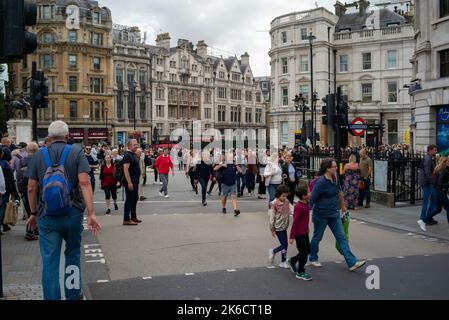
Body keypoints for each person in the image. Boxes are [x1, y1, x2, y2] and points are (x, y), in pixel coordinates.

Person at [25, 121, 101, 300]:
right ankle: (73, 295)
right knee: (73, 254)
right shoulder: (76, 152)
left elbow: (30, 187)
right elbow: (84, 182)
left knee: (50, 261)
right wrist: (91, 213)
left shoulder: (38, 155)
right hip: (73, 213)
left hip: (46, 215)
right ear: (68, 136)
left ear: (49, 137)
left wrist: (33, 213)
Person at [308, 158, 366, 272]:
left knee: (341, 238)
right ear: (327, 168)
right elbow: (312, 198)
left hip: (334, 213)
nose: (336, 168)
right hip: (321, 214)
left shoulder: (335, 178)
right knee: (317, 237)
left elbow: (339, 192)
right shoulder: (320, 182)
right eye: (334, 166)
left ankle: (352, 262)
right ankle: (313, 258)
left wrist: (343, 206)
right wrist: (305, 213)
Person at [287, 187, 312, 281]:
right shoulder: (299, 207)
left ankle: (292, 261)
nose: (310, 194)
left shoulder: (306, 204)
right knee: (304, 253)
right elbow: (295, 222)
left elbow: (305, 219)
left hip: (305, 232)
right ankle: (300, 272)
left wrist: (307, 228)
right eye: (308, 193)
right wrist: (291, 237)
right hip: (299, 234)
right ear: (303, 196)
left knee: (307, 251)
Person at [16, 142, 39, 240]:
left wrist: (20, 190)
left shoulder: (21, 161)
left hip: (24, 189)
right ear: (37, 150)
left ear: (28, 150)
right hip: (37, 189)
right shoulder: (39, 160)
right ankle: (31, 231)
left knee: (29, 210)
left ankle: (31, 229)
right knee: (36, 210)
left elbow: (18, 175)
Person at [420, 156, 449, 229]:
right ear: (445, 162)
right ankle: (423, 220)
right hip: (440, 192)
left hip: (438, 191)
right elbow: (440, 184)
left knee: (438, 209)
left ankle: (423, 220)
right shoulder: (443, 172)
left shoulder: (441, 170)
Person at [268, 185, 292, 268]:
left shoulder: (287, 201)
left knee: (285, 245)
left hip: (284, 227)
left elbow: (292, 210)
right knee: (284, 244)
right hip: (278, 228)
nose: (285, 198)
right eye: (283, 196)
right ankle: (274, 252)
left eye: (286, 195)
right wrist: (272, 229)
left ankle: (283, 261)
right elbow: (271, 218)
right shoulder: (274, 204)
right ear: (278, 194)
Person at [417, 144, 438, 231]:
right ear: (430, 150)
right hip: (427, 183)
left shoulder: (429, 158)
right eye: (435, 150)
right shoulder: (427, 159)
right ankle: (423, 218)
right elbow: (427, 172)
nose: (436, 151)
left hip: (428, 183)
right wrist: (432, 182)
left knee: (433, 200)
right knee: (427, 201)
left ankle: (428, 217)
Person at [122, 139, 142, 225]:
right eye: (134, 144)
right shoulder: (127, 155)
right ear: (129, 146)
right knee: (129, 199)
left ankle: (133, 217)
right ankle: (126, 219)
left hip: (135, 181)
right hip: (130, 181)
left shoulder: (133, 154)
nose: (136, 146)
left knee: (135, 198)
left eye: (137, 144)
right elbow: (125, 170)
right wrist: (129, 182)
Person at [216, 151, 241, 216]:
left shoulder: (234, 164)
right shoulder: (223, 163)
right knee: (224, 197)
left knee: (233, 197)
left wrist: (236, 165)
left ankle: (235, 210)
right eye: (229, 157)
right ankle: (223, 207)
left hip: (233, 184)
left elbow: (240, 170)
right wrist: (221, 165)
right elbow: (215, 168)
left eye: (231, 157)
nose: (231, 158)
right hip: (225, 184)